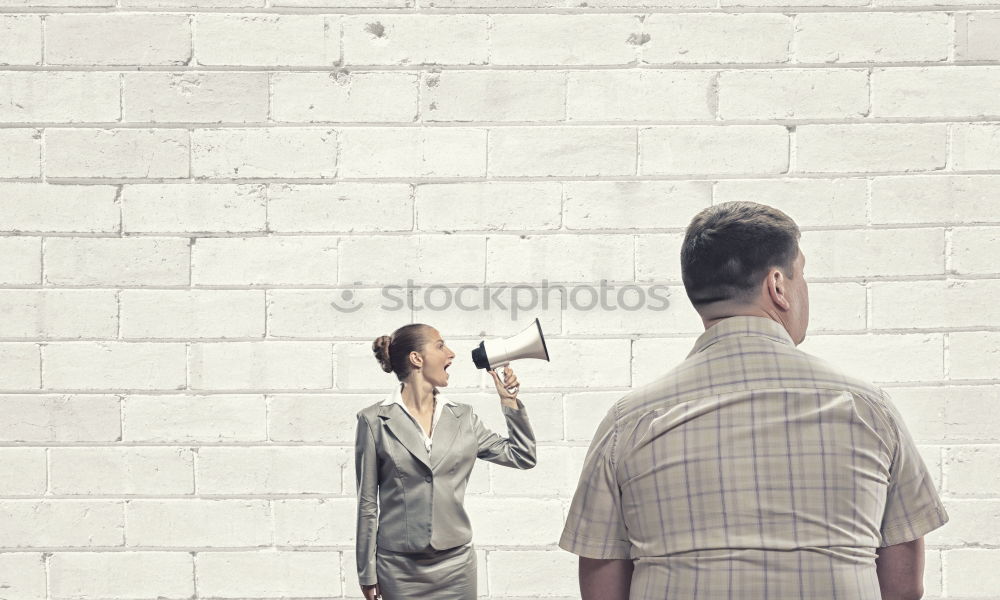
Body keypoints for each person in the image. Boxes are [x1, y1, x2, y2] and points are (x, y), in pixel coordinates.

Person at [559, 201, 948, 600]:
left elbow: (602, 590)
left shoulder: (629, 422)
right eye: (802, 275)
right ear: (778, 285)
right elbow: (903, 587)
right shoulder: (867, 409)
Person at [355, 323, 537, 600]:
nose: (450, 354)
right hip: (398, 568)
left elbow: (522, 456)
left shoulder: (463, 418)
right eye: (440, 346)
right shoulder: (373, 421)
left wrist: (509, 402)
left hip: (456, 567)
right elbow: (367, 504)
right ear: (417, 358)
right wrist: (366, 573)